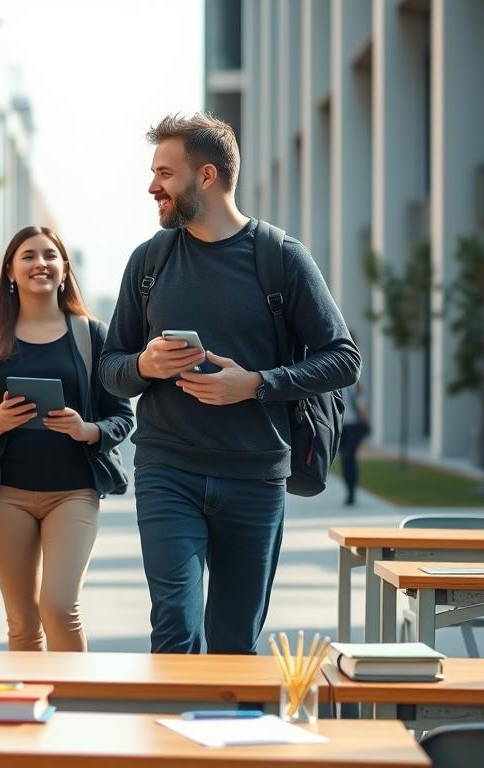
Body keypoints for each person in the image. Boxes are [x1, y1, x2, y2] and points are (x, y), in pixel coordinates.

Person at [98, 113, 361, 655]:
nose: (153, 187)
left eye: (165, 174)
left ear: (208, 176)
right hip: (166, 470)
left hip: (254, 476)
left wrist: (257, 384)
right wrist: (145, 365)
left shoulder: (281, 258)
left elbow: (343, 359)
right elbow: (111, 368)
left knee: (234, 643)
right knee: (176, 625)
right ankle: (172, 739)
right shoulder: (149, 261)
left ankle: (227, 740)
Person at [0, 226, 134, 652]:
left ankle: (75, 707)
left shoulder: (91, 335)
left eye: (50, 255)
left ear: (64, 270)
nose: (39, 263)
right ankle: (32, 715)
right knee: (23, 622)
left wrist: (88, 430)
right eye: (28, 255)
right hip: (4, 494)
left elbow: (121, 416)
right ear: (10, 270)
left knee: (60, 607)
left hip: (73, 493)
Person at [339, 330, 371, 506]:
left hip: (354, 424)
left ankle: (351, 492)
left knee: (348, 456)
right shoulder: (335, 363)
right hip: (340, 425)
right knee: (345, 457)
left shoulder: (355, 365)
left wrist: (367, 420)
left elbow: (360, 397)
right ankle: (349, 490)